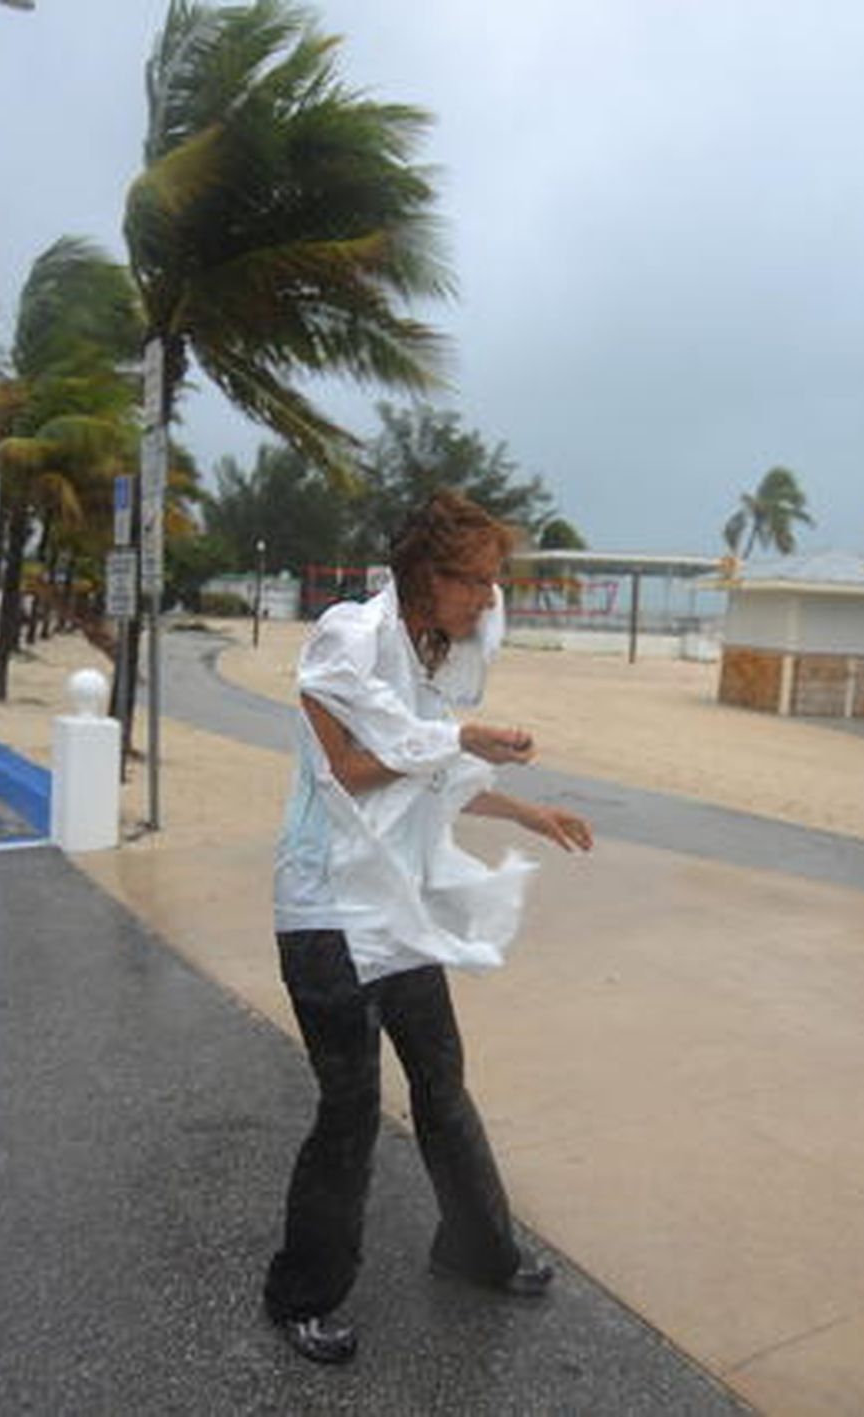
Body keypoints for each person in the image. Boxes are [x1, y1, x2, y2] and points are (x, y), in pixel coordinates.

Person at [264, 491, 593, 1366]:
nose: (488, 598)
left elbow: (429, 773)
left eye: (492, 581)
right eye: (476, 581)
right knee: (351, 1106)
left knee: (442, 1084)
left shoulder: (432, 659)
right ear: (427, 575)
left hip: (394, 904)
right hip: (326, 907)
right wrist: (461, 736)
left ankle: (477, 1248)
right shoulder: (350, 638)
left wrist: (526, 811)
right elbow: (353, 768)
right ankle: (301, 1294)